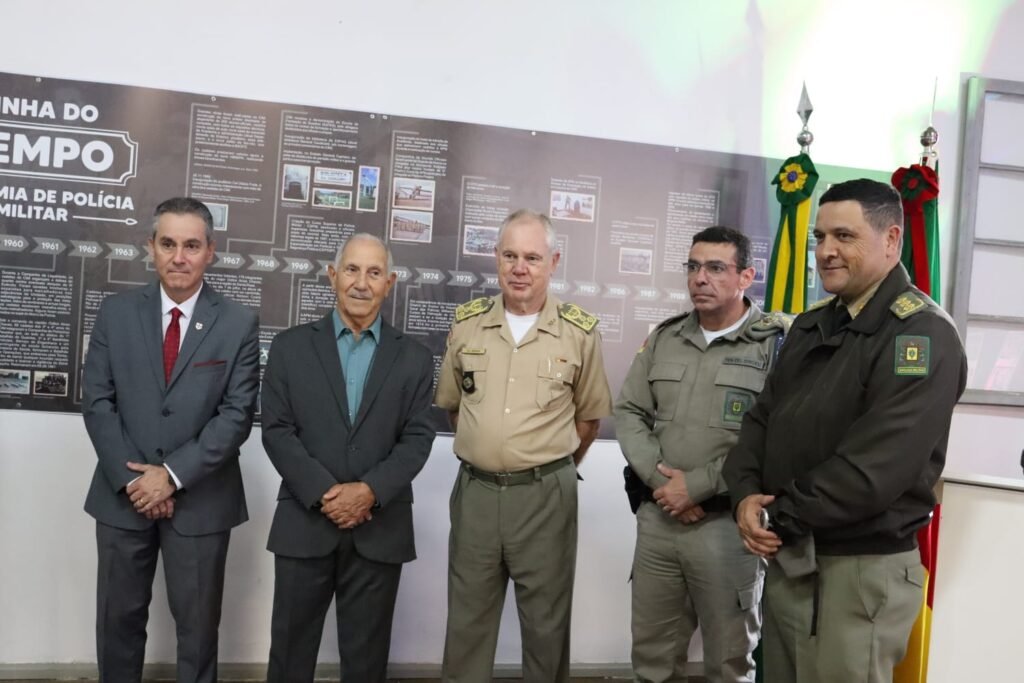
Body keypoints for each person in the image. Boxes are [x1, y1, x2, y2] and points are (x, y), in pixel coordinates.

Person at [723, 178, 968, 683]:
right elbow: (761, 420)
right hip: (791, 556)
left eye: (844, 236)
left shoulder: (920, 334)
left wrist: (773, 515)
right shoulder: (812, 324)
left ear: (892, 239)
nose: (826, 251)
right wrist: (744, 494)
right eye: (820, 237)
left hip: (859, 571)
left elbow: (874, 469)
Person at [82, 197, 260, 683]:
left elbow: (236, 415)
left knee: (198, 633)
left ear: (210, 251)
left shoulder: (238, 323)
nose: (179, 257)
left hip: (201, 500)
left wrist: (172, 476)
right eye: (168, 244)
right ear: (151, 247)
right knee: (117, 625)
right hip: (123, 498)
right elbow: (98, 402)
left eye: (191, 245)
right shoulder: (115, 313)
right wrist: (137, 482)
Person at [435, 209, 613, 682]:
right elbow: (455, 409)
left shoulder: (579, 333)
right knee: (466, 626)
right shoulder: (467, 325)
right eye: (510, 255)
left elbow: (589, 419)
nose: (520, 268)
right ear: (496, 258)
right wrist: (490, 448)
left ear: (553, 262)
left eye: (532, 258)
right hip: (476, 493)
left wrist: (544, 466)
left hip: (545, 497)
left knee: (546, 629)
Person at [261, 233, 437, 683]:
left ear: (389, 283)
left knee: (366, 663)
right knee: (289, 656)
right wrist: (325, 493)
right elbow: (278, 432)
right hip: (304, 524)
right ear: (332, 276)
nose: (362, 283)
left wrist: (369, 492)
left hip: (380, 528)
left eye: (374, 272)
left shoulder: (415, 358)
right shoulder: (289, 348)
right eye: (352, 270)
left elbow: (418, 438)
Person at [615, 226, 788, 682]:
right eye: (693, 267)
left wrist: (698, 486)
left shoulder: (774, 345)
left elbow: (777, 436)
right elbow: (629, 411)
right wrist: (663, 483)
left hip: (729, 527)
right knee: (652, 658)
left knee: (729, 663)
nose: (700, 278)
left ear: (746, 276)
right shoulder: (666, 337)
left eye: (715, 268)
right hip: (660, 522)